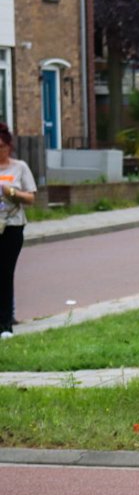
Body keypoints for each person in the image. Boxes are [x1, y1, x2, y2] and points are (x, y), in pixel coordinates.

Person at [0, 124, 37, 339]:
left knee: (5, 273)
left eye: (2, 146)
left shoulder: (19, 167)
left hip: (12, 225)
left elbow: (31, 197)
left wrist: (12, 191)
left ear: (9, 146)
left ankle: (5, 324)